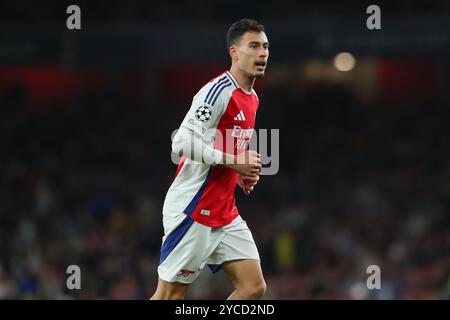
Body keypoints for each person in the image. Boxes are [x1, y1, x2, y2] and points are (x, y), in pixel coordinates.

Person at [151, 18, 269, 300]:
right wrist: (232, 160)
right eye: (253, 46)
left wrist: (238, 172)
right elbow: (181, 141)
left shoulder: (251, 98)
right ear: (234, 52)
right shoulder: (217, 91)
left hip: (224, 210)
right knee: (169, 296)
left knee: (253, 288)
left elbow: (221, 144)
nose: (262, 53)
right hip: (194, 208)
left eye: (265, 47)